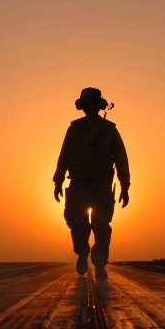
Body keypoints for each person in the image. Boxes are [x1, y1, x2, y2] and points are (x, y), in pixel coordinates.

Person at [53, 88, 130, 280]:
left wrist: (125, 186)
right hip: (78, 185)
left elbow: (121, 159)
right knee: (76, 222)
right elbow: (64, 157)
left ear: (99, 106)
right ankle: (82, 252)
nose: (90, 108)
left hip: (102, 186)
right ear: (82, 107)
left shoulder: (110, 130)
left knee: (101, 225)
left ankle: (100, 263)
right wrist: (58, 181)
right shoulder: (74, 129)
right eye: (87, 105)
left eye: (93, 105)